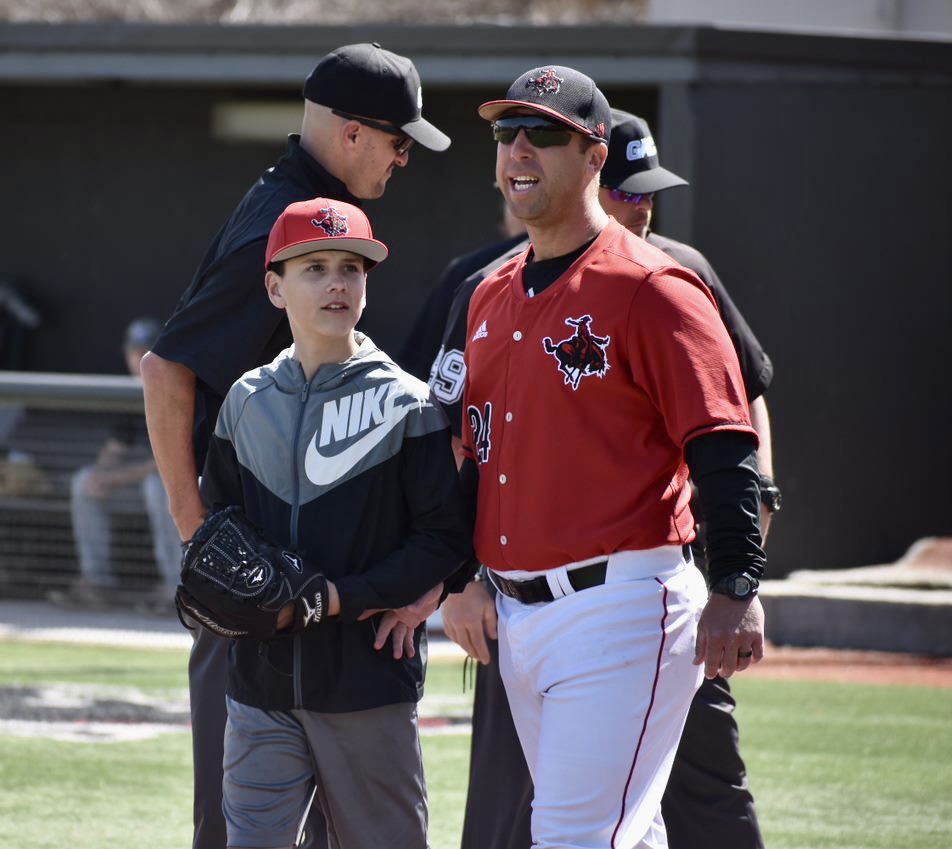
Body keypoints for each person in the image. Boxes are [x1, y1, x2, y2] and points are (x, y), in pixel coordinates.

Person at [436, 109, 779, 849]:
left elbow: (723, 442)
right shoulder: (487, 293)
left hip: (622, 601)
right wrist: (456, 575)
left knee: (572, 833)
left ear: (595, 157)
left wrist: (738, 584)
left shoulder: (657, 285)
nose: (519, 149)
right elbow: (466, 453)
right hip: (520, 611)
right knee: (628, 827)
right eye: (506, 136)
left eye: (544, 136)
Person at [139, 42, 450, 849]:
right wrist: (200, 539)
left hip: (323, 591)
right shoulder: (275, 229)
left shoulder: (301, 205)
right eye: (397, 138)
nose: (404, 155)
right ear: (352, 133)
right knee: (243, 827)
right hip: (257, 596)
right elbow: (166, 370)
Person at [198, 197, 469, 849]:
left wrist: (342, 597)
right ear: (274, 286)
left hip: (367, 685)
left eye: (352, 267)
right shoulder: (244, 401)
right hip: (260, 685)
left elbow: (444, 539)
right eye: (314, 267)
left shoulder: (408, 403)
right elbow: (220, 522)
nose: (337, 282)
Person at [50, 317, 179, 612]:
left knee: (157, 486)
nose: (138, 358)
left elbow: (170, 461)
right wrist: (102, 473)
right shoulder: (130, 390)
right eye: (134, 351)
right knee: (84, 481)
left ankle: (176, 587)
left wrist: (117, 478)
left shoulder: (174, 386)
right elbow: (115, 447)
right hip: (136, 484)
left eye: (146, 350)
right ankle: (97, 584)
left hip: (180, 484)